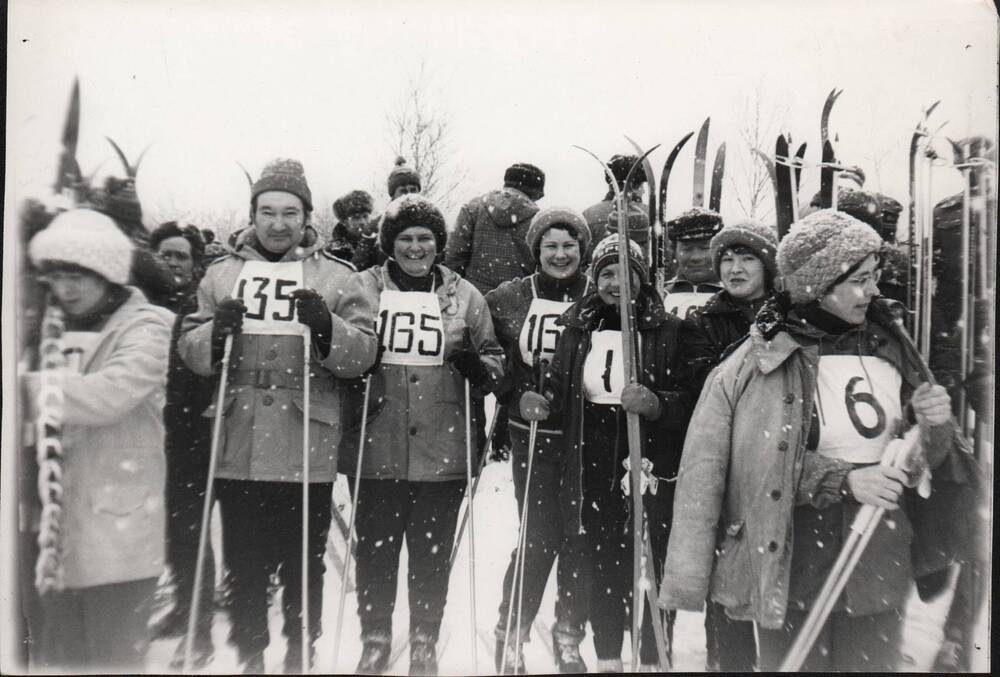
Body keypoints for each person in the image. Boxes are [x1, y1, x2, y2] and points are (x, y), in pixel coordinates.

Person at [660, 209, 960, 671]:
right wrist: (844, 481)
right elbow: (752, 466)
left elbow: (917, 464)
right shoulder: (764, 357)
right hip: (794, 559)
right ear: (821, 284)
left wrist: (933, 427)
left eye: (875, 277)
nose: (874, 291)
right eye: (860, 279)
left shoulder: (889, 344)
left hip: (878, 564)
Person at [178, 158, 378, 673]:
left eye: (290, 212)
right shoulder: (222, 273)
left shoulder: (336, 276)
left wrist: (327, 327)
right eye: (267, 211)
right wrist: (215, 333)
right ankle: (250, 651)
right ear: (253, 214)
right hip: (237, 436)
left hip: (304, 435)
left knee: (302, 559)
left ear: (307, 216)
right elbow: (189, 348)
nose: (278, 223)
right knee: (243, 559)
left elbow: (363, 354)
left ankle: (299, 647)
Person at [339, 194, 504, 676]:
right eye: (406, 238)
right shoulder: (362, 288)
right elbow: (341, 354)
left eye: (425, 239)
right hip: (377, 443)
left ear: (439, 244)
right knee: (376, 549)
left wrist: (475, 361)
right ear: (390, 243)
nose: (415, 248)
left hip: (444, 444)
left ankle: (425, 635)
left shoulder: (465, 295)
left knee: (430, 555)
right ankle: (374, 635)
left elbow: (494, 362)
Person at [521, 234, 697, 671]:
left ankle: (655, 652)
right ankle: (607, 655)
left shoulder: (670, 329)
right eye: (607, 273)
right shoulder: (578, 327)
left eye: (627, 273)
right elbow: (560, 389)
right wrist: (536, 399)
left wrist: (657, 404)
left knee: (654, 558)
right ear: (594, 278)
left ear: (642, 278)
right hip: (593, 451)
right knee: (605, 558)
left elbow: (692, 400)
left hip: (650, 452)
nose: (618, 283)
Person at [23, 208, 173, 672]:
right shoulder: (44, 325)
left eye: (77, 277)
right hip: (49, 533)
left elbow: (109, 396)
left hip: (118, 535)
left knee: (111, 661)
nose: (64, 290)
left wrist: (22, 388)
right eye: (57, 277)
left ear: (107, 274)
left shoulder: (148, 326)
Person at [484, 207, 593, 674]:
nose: (561, 254)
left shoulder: (599, 293)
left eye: (569, 245)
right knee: (539, 535)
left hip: (590, 436)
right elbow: (490, 357)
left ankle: (569, 632)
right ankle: (512, 629)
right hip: (533, 434)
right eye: (551, 245)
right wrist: (512, 393)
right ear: (536, 251)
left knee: (581, 537)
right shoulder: (509, 297)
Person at [685, 219, 778, 672]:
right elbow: (706, 380)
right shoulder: (705, 318)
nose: (735, 268)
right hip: (729, 455)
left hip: (778, 455)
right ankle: (723, 660)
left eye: (747, 259)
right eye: (726, 259)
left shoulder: (793, 312)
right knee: (727, 570)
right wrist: (759, 340)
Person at [146, 222, 217, 667]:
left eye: (182, 256)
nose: (173, 263)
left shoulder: (197, 307)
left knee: (191, 529)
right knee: (167, 527)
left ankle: (199, 627)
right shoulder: (137, 302)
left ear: (195, 266)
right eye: (165, 255)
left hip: (192, 431)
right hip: (148, 433)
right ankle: (178, 609)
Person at [444, 162, 546, 295]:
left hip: (472, 296)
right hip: (516, 299)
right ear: (535, 191)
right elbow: (543, 267)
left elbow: (454, 255)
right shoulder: (539, 219)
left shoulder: (474, 207)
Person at [662, 207, 724, 319]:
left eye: (705, 248)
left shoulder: (734, 297)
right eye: (687, 249)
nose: (696, 257)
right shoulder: (661, 296)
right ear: (674, 251)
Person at [582, 154, 648, 251]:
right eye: (641, 186)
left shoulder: (587, 216)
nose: (643, 191)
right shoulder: (653, 214)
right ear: (633, 186)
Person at [328, 189, 380, 271]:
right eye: (356, 218)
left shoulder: (378, 239)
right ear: (344, 222)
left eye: (365, 216)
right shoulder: (335, 251)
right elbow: (349, 276)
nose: (363, 222)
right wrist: (365, 243)